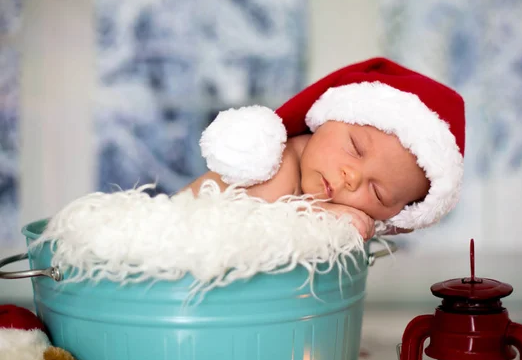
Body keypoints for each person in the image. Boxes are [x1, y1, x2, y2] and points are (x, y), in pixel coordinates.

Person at [181, 57, 465, 240]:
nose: (352, 177)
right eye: (354, 148)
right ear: (325, 120)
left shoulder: (336, 192)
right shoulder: (280, 164)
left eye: (377, 193)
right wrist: (314, 214)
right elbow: (247, 227)